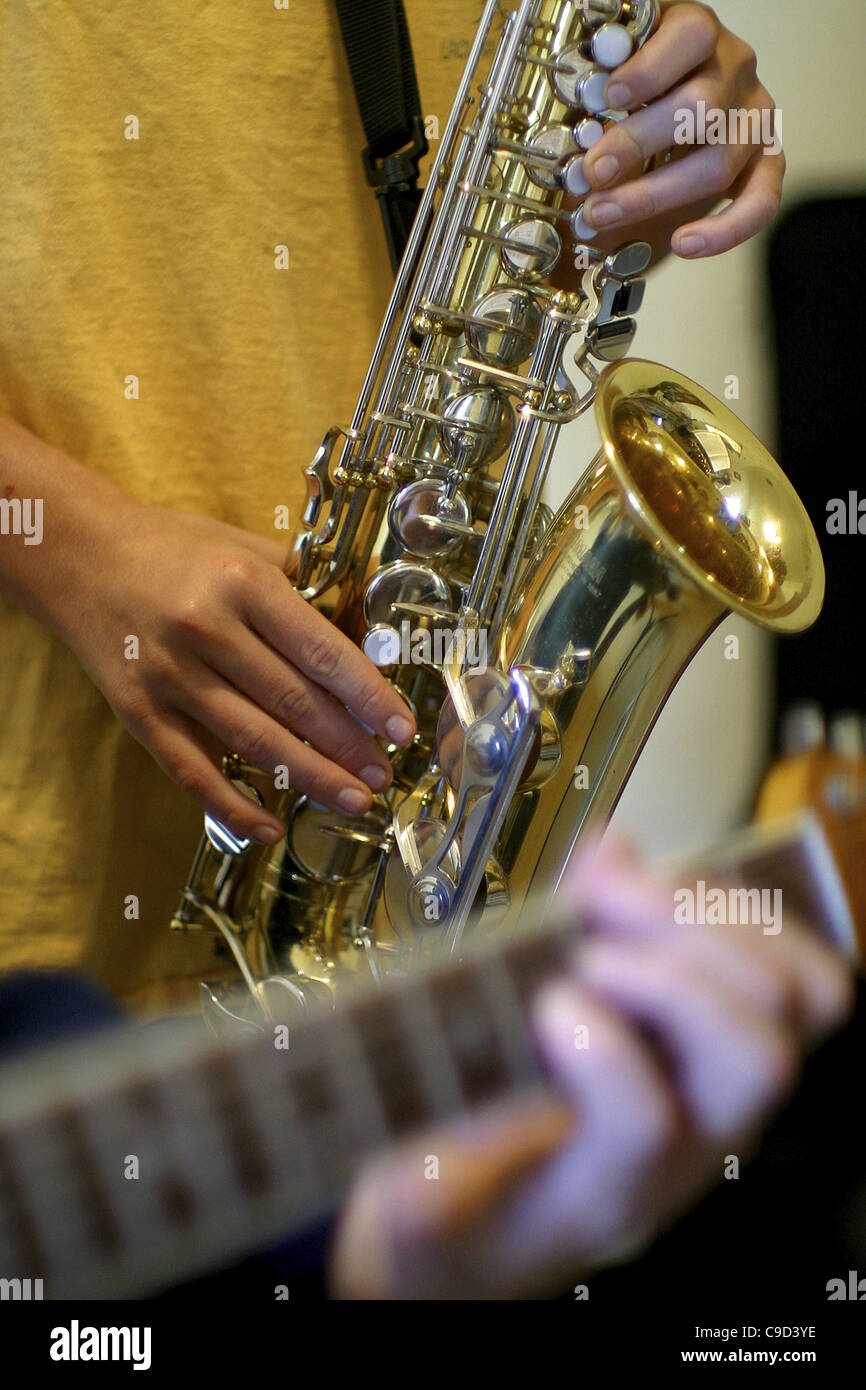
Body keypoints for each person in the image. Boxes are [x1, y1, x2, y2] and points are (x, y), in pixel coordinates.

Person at [0, 2, 784, 1013]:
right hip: (37, 876)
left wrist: (666, 149)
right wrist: (66, 543)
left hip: (365, 907)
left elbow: (522, 246)